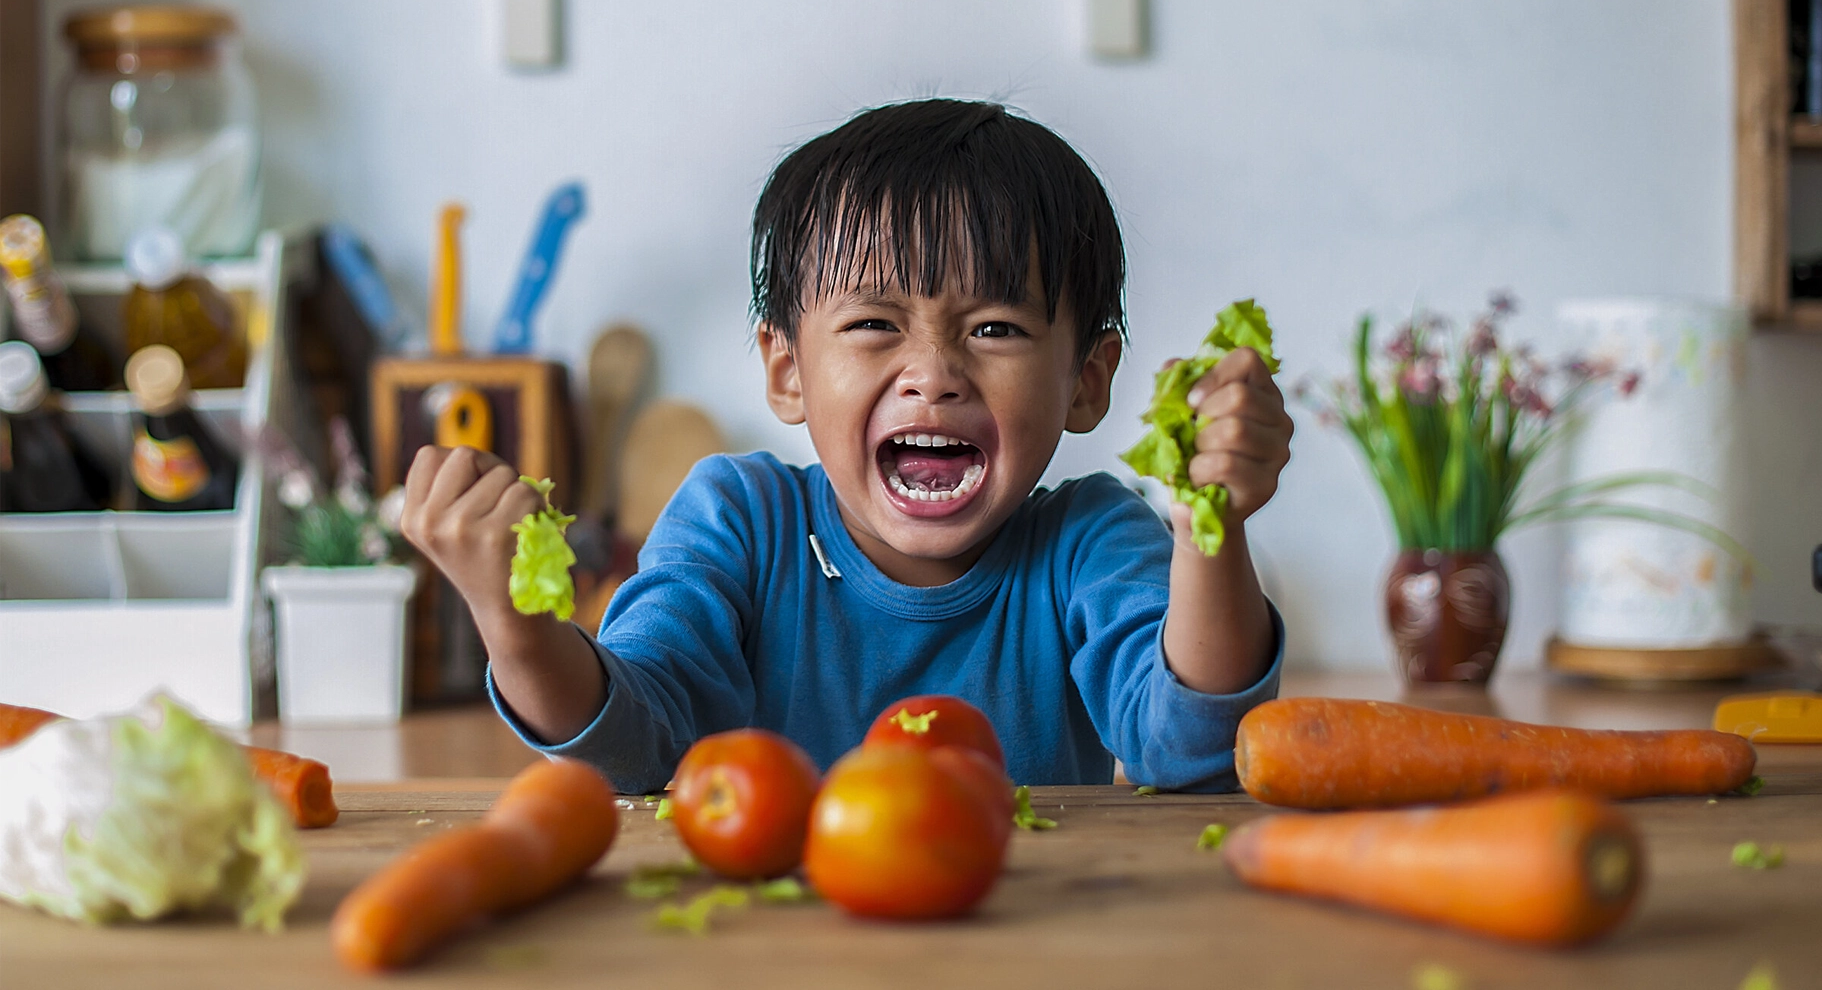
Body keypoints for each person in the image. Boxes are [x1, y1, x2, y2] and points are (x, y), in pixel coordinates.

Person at [400, 99, 1293, 792]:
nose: (933, 373)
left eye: (996, 329)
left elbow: (1196, 756)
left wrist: (1208, 521)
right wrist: (512, 625)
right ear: (787, 370)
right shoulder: (738, 523)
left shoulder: (1092, 541)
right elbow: (631, 744)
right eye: (873, 323)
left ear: (1088, 379)